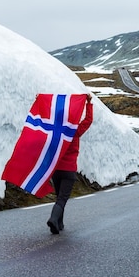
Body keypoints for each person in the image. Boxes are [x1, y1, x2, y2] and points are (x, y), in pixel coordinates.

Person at [47, 94, 93, 234]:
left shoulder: (54, 131)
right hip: (69, 170)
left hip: (56, 170)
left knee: (59, 196)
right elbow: (88, 120)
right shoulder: (75, 131)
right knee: (62, 198)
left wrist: (40, 102)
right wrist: (89, 104)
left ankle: (59, 224)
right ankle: (53, 220)